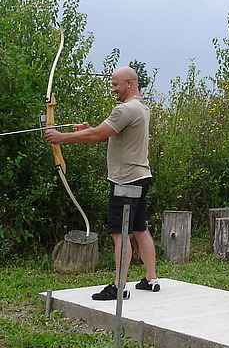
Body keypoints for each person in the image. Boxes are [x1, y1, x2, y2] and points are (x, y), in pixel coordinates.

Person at [45, 66, 160, 300]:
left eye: (116, 84)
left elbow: (97, 135)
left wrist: (61, 137)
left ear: (129, 83)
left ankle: (119, 287)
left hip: (125, 180)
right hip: (140, 176)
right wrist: (88, 130)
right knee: (139, 228)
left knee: (120, 233)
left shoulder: (124, 109)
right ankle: (151, 279)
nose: (113, 89)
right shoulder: (140, 107)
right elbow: (107, 133)